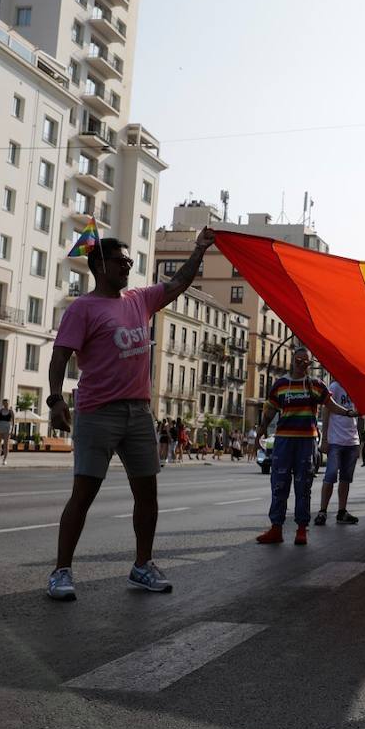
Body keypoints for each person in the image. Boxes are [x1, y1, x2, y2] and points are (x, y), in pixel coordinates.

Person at [45, 229, 215, 602]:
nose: (128, 266)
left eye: (129, 262)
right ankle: (61, 571)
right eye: (122, 261)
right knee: (84, 494)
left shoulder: (140, 299)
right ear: (100, 265)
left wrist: (200, 250)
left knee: (148, 494)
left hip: (138, 412)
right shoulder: (83, 309)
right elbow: (59, 357)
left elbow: (180, 282)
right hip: (97, 412)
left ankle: (142, 566)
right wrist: (55, 400)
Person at [254, 347, 357, 546]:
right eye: (299, 360)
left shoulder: (316, 385)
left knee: (303, 486)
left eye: (306, 362)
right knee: (279, 485)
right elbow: (269, 412)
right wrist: (259, 434)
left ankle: (302, 529)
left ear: (310, 364)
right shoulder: (280, 385)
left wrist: (348, 413)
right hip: (284, 442)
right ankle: (276, 529)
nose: (302, 364)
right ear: (292, 361)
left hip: (306, 442)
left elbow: (331, 404)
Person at [314, 379, 362, 525]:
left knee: (346, 479)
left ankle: (342, 511)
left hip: (352, 441)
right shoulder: (334, 387)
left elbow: (359, 415)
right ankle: (322, 511)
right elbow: (327, 411)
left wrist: (360, 442)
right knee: (330, 476)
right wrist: (325, 439)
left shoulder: (355, 388)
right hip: (336, 441)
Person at [0, 399, 14, 466]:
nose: (6, 404)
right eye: (4, 403)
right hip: (0, 426)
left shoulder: (11, 411)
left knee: (6, 444)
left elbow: (13, 421)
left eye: (7, 403)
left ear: (8, 403)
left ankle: (5, 459)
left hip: (7, 427)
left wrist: (12, 430)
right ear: (3, 403)